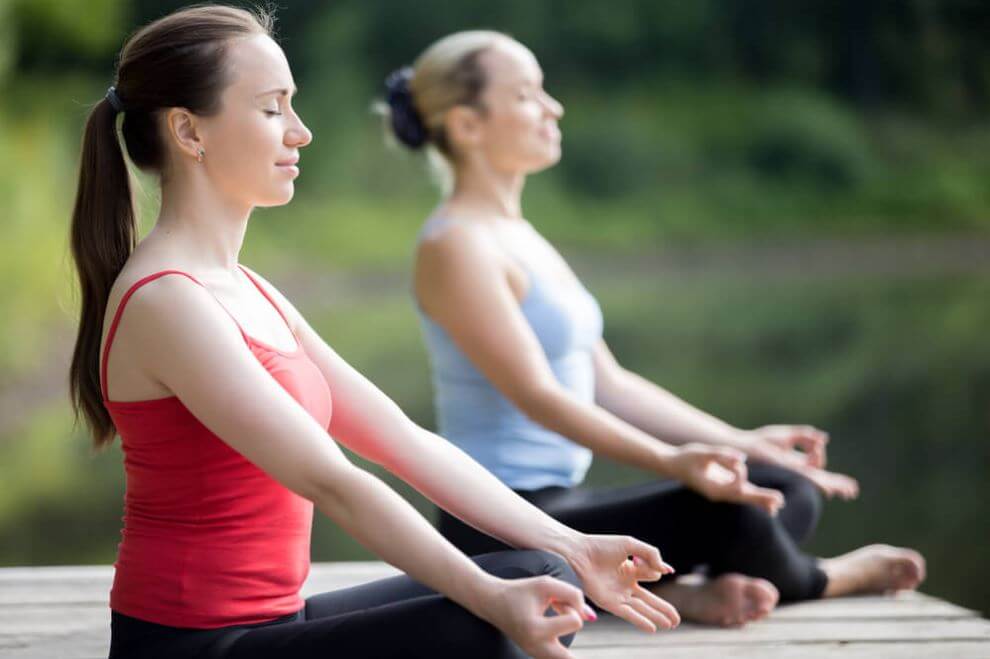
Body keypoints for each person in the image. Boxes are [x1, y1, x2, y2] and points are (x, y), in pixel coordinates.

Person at [68, 8, 679, 658]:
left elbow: (404, 441)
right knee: (491, 617)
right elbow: (334, 481)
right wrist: (483, 593)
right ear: (189, 131)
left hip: (278, 621)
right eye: (273, 109)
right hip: (194, 646)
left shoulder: (248, 289)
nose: (300, 133)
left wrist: (573, 544)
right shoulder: (168, 300)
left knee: (543, 574)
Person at [382, 30, 927, 627]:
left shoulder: (518, 235)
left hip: (564, 499)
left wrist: (740, 443)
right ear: (467, 125)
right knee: (737, 515)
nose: (552, 108)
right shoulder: (455, 244)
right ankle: (821, 578)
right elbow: (537, 396)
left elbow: (610, 383)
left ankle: (677, 590)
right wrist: (673, 462)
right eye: (527, 95)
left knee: (781, 485)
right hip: (500, 522)